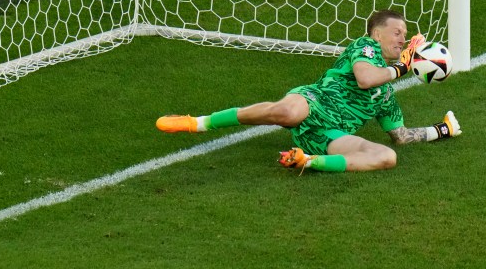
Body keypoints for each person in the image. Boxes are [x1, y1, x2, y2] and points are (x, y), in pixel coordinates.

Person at [156, 9, 461, 172]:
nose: (403, 39)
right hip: (313, 103)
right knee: (287, 112)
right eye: (397, 32)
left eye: (405, 35)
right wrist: (402, 68)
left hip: (328, 136)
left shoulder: (387, 98)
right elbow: (366, 78)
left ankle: (305, 161)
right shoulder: (365, 47)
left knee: (387, 157)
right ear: (377, 33)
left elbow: (402, 136)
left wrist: (441, 130)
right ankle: (197, 123)